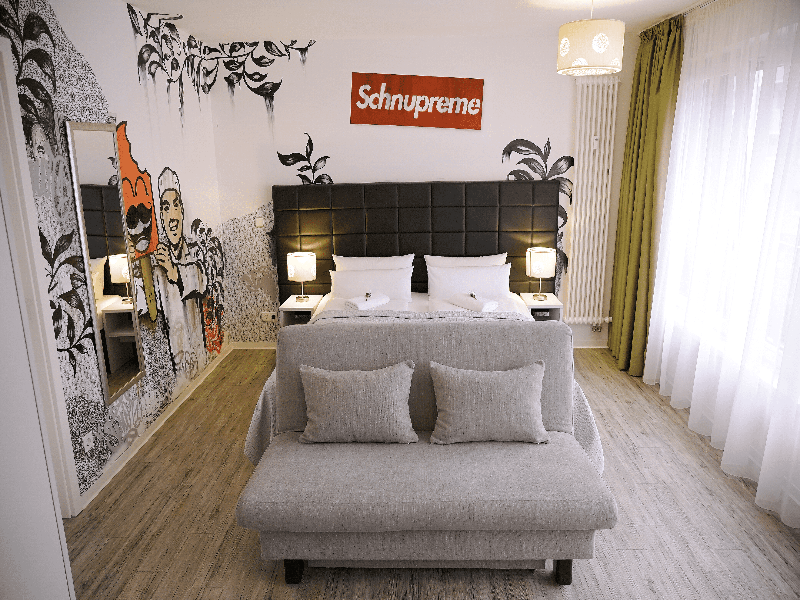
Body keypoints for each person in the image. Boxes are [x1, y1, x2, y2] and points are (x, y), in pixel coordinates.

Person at [153, 167, 208, 379]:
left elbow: (200, 280)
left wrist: (173, 269)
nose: (172, 216)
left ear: (182, 211)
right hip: (173, 357)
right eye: (166, 208)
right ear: (161, 216)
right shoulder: (156, 258)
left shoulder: (194, 248)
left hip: (196, 347)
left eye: (176, 206)